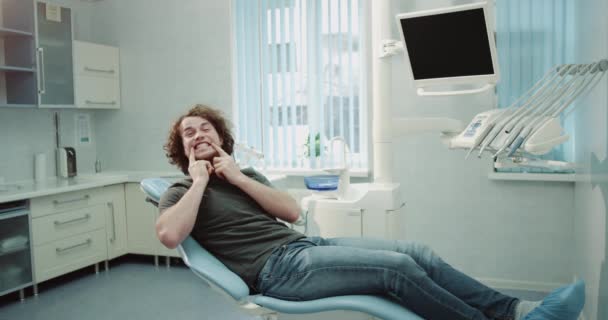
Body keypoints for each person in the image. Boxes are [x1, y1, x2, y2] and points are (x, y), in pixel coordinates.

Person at [156, 104, 586, 320]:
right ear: (181, 149)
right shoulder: (180, 189)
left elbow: (289, 212)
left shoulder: (243, 174)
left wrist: (237, 176)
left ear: (221, 135)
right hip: (276, 271)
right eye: (188, 134)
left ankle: (515, 311)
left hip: (303, 246)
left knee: (418, 252)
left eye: (204, 127)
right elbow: (170, 236)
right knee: (396, 269)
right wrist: (199, 181)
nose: (197, 135)